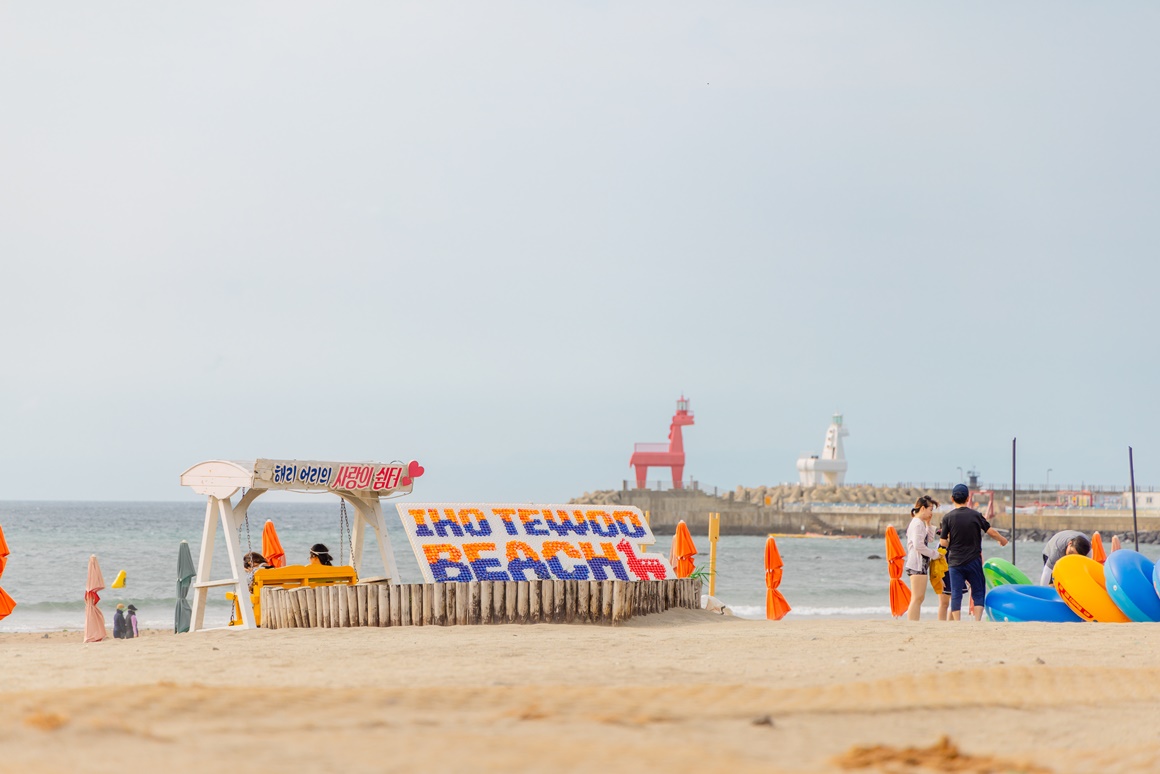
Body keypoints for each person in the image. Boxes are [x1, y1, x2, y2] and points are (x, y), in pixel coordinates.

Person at [939, 484, 1009, 621]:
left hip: (955, 562)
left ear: (952, 498)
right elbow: (991, 532)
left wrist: (949, 541)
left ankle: (957, 621)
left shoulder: (947, 518)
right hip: (973, 560)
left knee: (956, 593)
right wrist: (1002, 540)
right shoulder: (976, 516)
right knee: (978, 590)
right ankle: (977, 621)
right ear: (968, 498)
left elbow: (943, 543)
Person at [905, 496, 942, 621]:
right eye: (930, 509)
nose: (931, 512)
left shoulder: (920, 523)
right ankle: (912, 623)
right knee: (917, 597)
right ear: (922, 508)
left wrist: (928, 523)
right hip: (917, 564)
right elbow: (918, 545)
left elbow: (929, 539)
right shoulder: (916, 523)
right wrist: (935, 554)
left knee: (919, 597)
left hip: (920, 564)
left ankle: (914, 622)